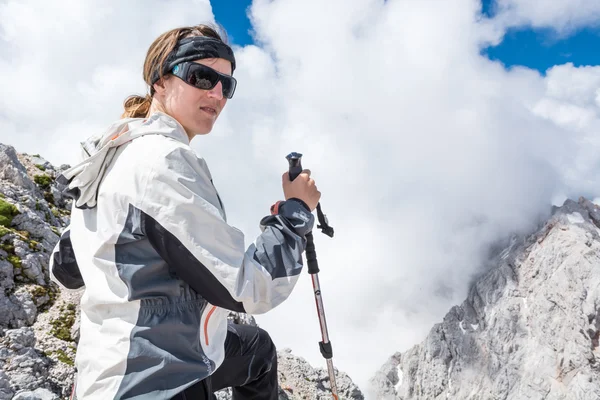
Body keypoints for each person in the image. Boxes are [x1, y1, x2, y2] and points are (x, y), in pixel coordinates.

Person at [49, 23, 320, 400]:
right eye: (201, 76)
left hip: (108, 367)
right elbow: (250, 290)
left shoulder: (108, 155)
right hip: (156, 379)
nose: (217, 94)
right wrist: (295, 214)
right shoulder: (162, 161)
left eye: (227, 85)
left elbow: (64, 270)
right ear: (160, 79)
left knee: (256, 349)